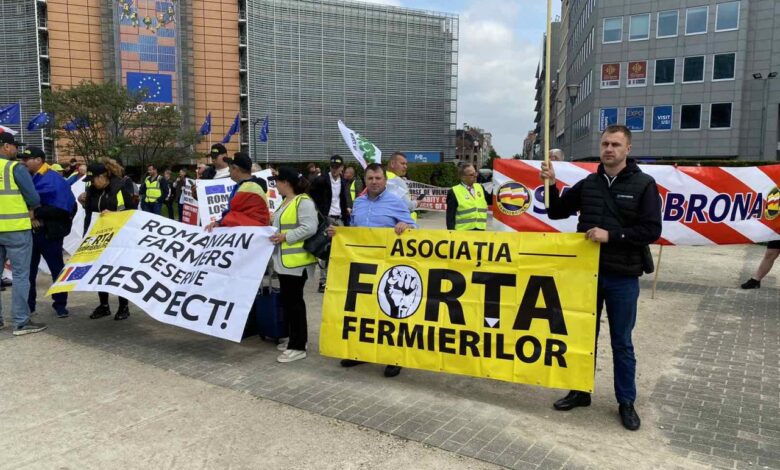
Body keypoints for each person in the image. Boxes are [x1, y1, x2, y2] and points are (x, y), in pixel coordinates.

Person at [540, 124, 662, 431]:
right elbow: (556, 212)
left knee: (621, 342)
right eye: (605, 143)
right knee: (583, 337)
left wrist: (612, 235)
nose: (609, 149)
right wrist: (552, 185)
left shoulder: (645, 184)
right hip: (587, 275)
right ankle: (581, 391)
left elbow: (651, 230)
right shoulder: (589, 183)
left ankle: (626, 402)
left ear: (627, 149)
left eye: (616, 145)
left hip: (622, 276)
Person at [328, 163, 416, 378]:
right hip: (362, 266)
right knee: (363, 312)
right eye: (370, 178)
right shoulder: (358, 203)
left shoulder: (395, 202)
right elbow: (355, 232)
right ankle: (360, 353)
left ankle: (394, 357)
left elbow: (414, 228)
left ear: (385, 180)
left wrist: (406, 227)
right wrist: (338, 233)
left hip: (388, 268)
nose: (374, 182)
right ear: (365, 181)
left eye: (378, 178)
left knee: (389, 312)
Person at [268, 167, 318, 363]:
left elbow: (309, 227)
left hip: (297, 262)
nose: (276, 186)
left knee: (295, 303)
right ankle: (294, 339)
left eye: (277, 182)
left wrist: (285, 236)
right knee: (289, 302)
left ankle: (298, 346)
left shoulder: (303, 201)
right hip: (285, 262)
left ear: (286, 182)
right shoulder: (286, 202)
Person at [20, 146, 76, 319]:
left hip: (49, 233)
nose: (23, 162)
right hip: (29, 232)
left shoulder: (53, 179)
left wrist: (36, 213)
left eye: (27, 159)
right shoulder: (25, 177)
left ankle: (60, 304)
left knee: (56, 269)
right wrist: (30, 216)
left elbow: (63, 208)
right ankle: (29, 306)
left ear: (39, 160)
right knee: (28, 271)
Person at [0, 132, 47, 335]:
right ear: (5, 146)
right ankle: (21, 322)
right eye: (14, 146)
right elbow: (33, 198)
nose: (16, 150)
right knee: (21, 275)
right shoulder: (14, 168)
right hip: (16, 229)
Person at [79, 160, 137, 320]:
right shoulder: (92, 190)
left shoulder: (119, 188)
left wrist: (113, 215)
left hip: (118, 239)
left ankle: (123, 306)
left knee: (118, 273)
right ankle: (104, 306)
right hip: (97, 238)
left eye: (93, 179)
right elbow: (91, 213)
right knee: (99, 272)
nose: (91, 183)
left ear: (104, 176)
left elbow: (131, 212)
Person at [309, 155, 350, 292]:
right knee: (325, 250)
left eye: (337, 167)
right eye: (333, 167)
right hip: (327, 218)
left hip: (340, 218)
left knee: (340, 250)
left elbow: (345, 198)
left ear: (342, 168)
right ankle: (323, 281)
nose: (334, 169)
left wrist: (348, 209)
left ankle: (337, 279)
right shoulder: (321, 180)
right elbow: (311, 194)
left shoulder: (344, 182)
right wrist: (318, 212)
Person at [205, 152, 269, 230]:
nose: (229, 171)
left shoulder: (248, 188)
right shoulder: (242, 186)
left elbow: (234, 214)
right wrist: (219, 222)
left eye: (230, 167)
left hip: (249, 234)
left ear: (236, 169)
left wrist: (220, 222)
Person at [446, 163, 487, 231]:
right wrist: (451, 235)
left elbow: (492, 200)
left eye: (475, 173)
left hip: (480, 231)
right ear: (463, 177)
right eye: (471, 174)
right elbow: (450, 217)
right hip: (462, 234)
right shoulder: (454, 192)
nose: (475, 176)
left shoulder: (480, 188)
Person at [386, 151, 419, 221]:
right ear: (392, 164)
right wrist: (417, 202)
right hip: (403, 224)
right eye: (402, 163)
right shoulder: (397, 181)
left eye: (406, 164)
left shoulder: (382, 177)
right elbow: (408, 206)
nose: (405, 166)